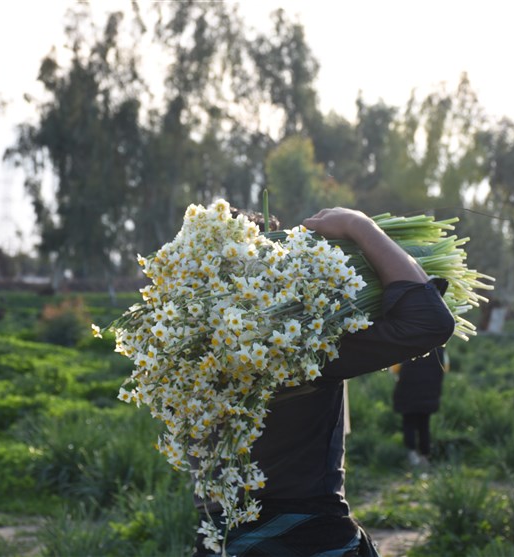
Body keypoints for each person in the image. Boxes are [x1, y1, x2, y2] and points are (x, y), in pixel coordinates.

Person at [193, 207, 455, 557]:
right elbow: (431, 322)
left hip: (220, 544)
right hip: (309, 542)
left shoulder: (182, 357)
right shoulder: (293, 349)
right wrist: (359, 225)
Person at [391, 346, 449, 467]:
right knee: (424, 424)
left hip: (407, 393)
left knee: (408, 423)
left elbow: (394, 369)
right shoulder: (440, 350)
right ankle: (425, 456)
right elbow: (446, 368)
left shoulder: (407, 345)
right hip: (429, 394)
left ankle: (411, 453)